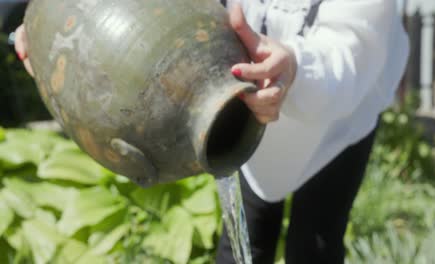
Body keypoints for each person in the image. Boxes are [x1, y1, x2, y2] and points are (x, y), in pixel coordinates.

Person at [14, 0, 409, 263]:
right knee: (244, 238)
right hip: (237, 101)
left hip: (338, 113)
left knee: (316, 240)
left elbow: (351, 51)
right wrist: (51, 18)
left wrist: (295, 69)